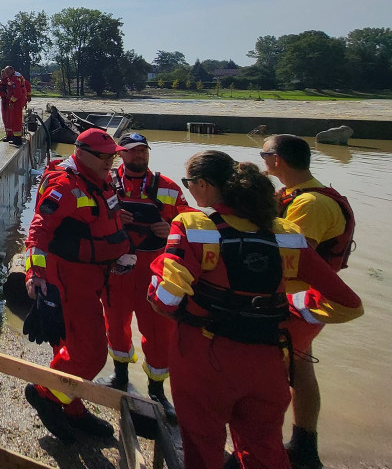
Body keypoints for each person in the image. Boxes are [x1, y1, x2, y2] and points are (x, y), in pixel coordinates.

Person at [148, 150, 363, 469]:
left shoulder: (194, 225)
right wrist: (287, 307)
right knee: (265, 449)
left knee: (203, 446)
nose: (188, 189)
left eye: (189, 183)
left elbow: (163, 299)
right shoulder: (286, 234)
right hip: (266, 362)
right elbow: (349, 305)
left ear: (205, 185)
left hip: (203, 360)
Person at [22, 128, 134, 443]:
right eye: (104, 156)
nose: (111, 161)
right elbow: (38, 234)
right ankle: (46, 395)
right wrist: (36, 276)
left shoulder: (102, 180)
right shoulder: (64, 187)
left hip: (94, 278)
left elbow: (106, 219)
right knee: (92, 355)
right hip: (70, 284)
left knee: (68, 350)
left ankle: (70, 407)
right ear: (81, 152)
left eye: (113, 155)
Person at [260, 134, 356, 469]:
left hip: (296, 303)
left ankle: (274, 446)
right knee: (299, 368)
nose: (262, 159)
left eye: (264, 154)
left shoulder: (309, 205)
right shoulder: (295, 195)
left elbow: (290, 257)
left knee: (271, 376)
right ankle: (304, 445)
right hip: (304, 301)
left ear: (278, 160)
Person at [100, 132, 186, 420]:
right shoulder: (104, 184)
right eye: (133, 151)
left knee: (160, 332)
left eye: (143, 151)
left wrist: (172, 228)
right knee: (115, 323)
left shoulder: (168, 187)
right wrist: (112, 219)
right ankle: (120, 376)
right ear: (120, 153)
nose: (139, 156)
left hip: (155, 271)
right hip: (118, 270)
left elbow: (192, 226)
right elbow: (88, 218)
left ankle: (158, 390)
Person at [0, 66, 31, 145]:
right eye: (3, 73)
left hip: (14, 101)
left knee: (14, 119)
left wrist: (13, 101)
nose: (5, 75)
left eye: (6, 73)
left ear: (12, 71)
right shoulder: (8, 80)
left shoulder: (14, 79)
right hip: (7, 101)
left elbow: (19, 91)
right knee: (7, 119)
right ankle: (10, 135)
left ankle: (16, 138)